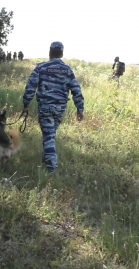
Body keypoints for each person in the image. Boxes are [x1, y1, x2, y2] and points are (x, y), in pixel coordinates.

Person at [22, 41, 84, 173]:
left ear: (50, 53)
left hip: (46, 107)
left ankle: (52, 169)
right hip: (60, 110)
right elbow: (76, 90)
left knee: (49, 137)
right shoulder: (67, 70)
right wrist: (80, 109)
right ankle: (45, 161)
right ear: (62, 53)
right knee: (50, 134)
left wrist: (26, 104)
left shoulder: (41, 68)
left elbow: (30, 87)